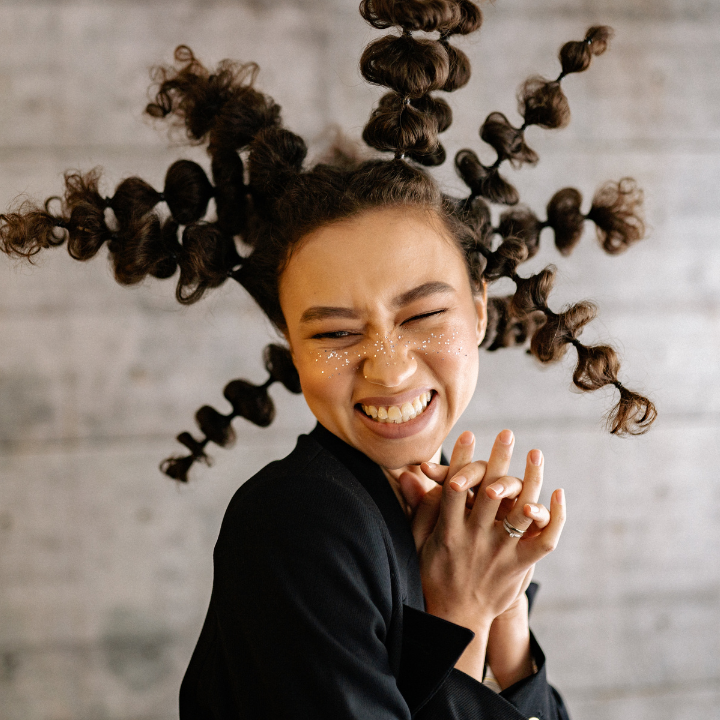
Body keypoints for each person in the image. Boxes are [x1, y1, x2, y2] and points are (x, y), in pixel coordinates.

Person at [0, 1, 656, 717]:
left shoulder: (443, 523)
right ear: (291, 341)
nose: (389, 368)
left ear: (478, 306)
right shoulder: (297, 520)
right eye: (336, 333)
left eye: (423, 315)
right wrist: (461, 609)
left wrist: (507, 626)